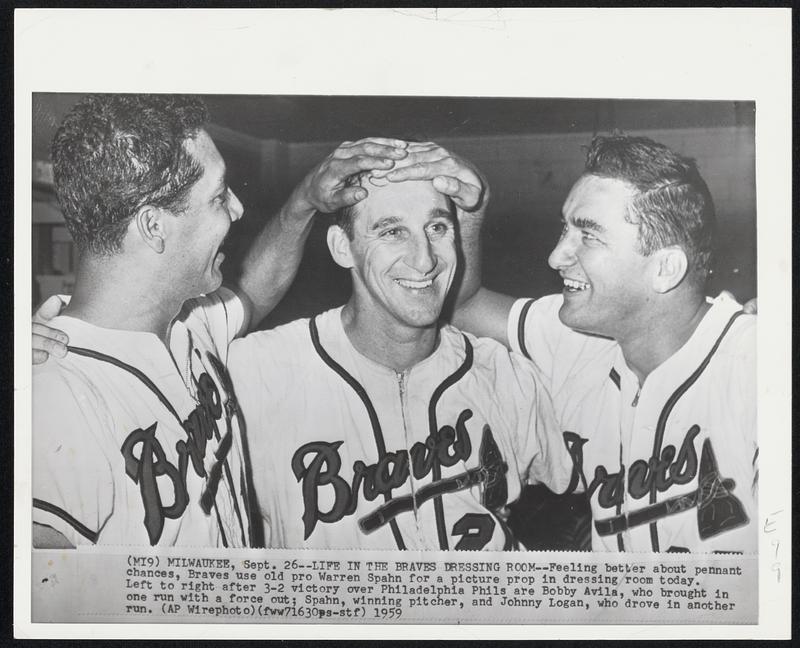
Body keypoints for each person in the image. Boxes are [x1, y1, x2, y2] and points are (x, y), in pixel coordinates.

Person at [31, 93, 414, 548]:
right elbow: (43, 603)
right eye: (218, 197)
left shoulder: (188, 320)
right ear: (154, 227)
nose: (237, 209)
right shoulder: (53, 394)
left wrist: (306, 201)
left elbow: (254, 290)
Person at [224, 154, 572, 550]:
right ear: (343, 248)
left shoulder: (504, 372)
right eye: (392, 232)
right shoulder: (259, 373)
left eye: (437, 227)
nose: (424, 260)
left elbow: (586, 488)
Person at [437, 134, 757, 553]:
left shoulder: (756, 367)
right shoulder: (579, 338)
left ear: (665, 269)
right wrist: (469, 215)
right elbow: (463, 305)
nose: (556, 256)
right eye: (565, 229)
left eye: (588, 236)